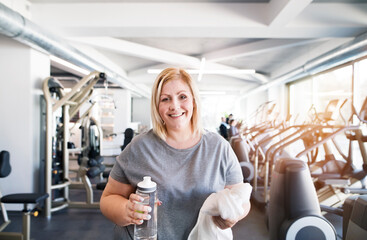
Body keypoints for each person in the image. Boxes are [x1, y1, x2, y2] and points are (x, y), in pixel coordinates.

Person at [100, 67, 251, 240]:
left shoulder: (219, 147)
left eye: (182, 97)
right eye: (165, 99)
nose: (175, 106)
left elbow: (242, 200)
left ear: (193, 101)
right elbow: (108, 198)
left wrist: (233, 216)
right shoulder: (139, 147)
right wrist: (126, 210)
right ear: (157, 106)